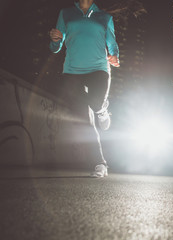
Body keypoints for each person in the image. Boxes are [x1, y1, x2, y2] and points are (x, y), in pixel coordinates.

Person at [49, 0, 120, 177]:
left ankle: (102, 109)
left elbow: (111, 43)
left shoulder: (105, 17)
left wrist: (114, 56)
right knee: (83, 119)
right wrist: (55, 39)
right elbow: (56, 47)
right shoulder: (66, 13)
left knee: (96, 103)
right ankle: (99, 163)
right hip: (72, 71)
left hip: (99, 68)